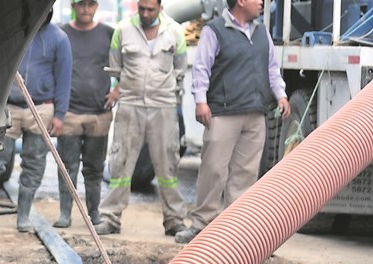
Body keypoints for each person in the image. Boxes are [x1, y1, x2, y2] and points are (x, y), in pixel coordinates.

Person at [175, 0, 289, 244]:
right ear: (240, 1)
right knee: (213, 169)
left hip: (255, 113)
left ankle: (234, 230)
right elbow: (202, 69)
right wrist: (201, 101)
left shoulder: (261, 32)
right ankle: (201, 225)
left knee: (245, 174)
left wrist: (281, 95)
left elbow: (272, 68)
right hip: (223, 112)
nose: (262, 2)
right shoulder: (214, 30)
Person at [0, 14, 71, 233]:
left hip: (40, 108)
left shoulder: (59, 39)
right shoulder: (9, 34)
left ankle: (23, 216)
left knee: (34, 163)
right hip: (7, 106)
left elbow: (64, 78)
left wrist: (60, 114)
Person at [95, 0, 189, 236]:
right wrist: (122, 89)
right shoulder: (123, 30)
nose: (146, 14)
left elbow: (180, 70)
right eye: (142, 9)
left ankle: (174, 220)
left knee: (167, 165)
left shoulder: (175, 32)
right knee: (121, 162)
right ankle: (111, 218)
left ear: (160, 7)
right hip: (131, 104)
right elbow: (116, 67)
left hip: (163, 107)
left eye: (151, 9)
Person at [55, 0, 114, 228]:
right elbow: (53, 67)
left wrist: (117, 90)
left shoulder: (109, 34)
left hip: (99, 115)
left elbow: (125, 64)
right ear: (73, 6)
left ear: (96, 6)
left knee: (94, 168)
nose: (86, 9)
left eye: (90, 4)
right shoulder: (62, 34)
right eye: (81, 5)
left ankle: (94, 214)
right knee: (67, 167)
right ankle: (65, 214)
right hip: (69, 114)